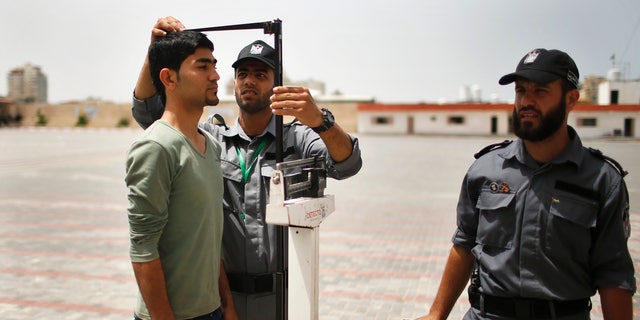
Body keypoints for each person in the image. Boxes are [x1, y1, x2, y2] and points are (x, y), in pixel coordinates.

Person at [132, 17, 362, 320]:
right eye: (242, 74)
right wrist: (155, 52)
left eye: (260, 74)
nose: (249, 81)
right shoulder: (213, 139)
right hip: (222, 298)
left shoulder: (296, 139)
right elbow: (149, 114)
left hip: (279, 297)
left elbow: (347, 164)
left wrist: (321, 121)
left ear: (276, 83)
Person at [417, 49, 635, 320]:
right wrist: (436, 314)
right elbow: (464, 243)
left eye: (540, 91)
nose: (526, 101)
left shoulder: (603, 180)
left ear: (571, 99)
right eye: (520, 91)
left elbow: (614, 275)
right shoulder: (486, 168)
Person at [125, 30, 226, 320]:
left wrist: (226, 304)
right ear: (169, 78)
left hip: (211, 310)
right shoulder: (156, 146)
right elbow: (143, 248)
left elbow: (211, 237)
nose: (215, 76)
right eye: (202, 66)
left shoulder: (211, 144)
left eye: (214, 65)